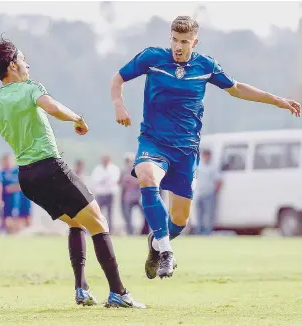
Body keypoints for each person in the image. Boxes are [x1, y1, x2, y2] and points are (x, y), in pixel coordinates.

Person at [0, 35, 145, 308]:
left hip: (27, 178)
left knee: (76, 222)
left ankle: (82, 289)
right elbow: (52, 107)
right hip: (50, 167)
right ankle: (119, 293)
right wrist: (78, 118)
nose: (28, 64)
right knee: (99, 223)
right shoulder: (30, 88)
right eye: (24, 59)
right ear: (13, 65)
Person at [110, 16, 301, 279]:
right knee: (146, 177)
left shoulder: (205, 65)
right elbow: (118, 78)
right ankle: (166, 251)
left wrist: (277, 100)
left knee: (179, 221)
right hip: (153, 141)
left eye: (184, 42)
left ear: (194, 42)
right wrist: (119, 104)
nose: (178, 46)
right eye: (175, 40)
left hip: (186, 150)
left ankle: (156, 243)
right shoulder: (152, 58)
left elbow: (237, 89)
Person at [194, 149, 222, 235]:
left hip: (209, 193)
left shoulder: (213, 167)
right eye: (205, 155)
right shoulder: (199, 166)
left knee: (209, 214)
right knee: (199, 213)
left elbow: (219, 181)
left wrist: (214, 192)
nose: (206, 157)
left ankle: (207, 231)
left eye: (207, 155)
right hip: (199, 193)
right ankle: (199, 230)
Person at [90, 155, 120, 233]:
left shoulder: (114, 169)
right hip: (100, 193)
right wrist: (104, 179)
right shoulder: (98, 169)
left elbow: (114, 180)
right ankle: (98, 228)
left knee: (110, 213)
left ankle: (110, 230)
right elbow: (95, 180)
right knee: (98, 212)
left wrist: (105, 180)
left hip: (110, 193)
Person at [119, 153, 147, 235]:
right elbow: (120, 183)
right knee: (127, 216)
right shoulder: (123, 172)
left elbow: (142, 182)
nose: (129, 163)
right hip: (128, 197)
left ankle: (144, 232)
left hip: (139, 197)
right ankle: (130, 232)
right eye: (127, 161)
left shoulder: (139, 170)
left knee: (145, 215)